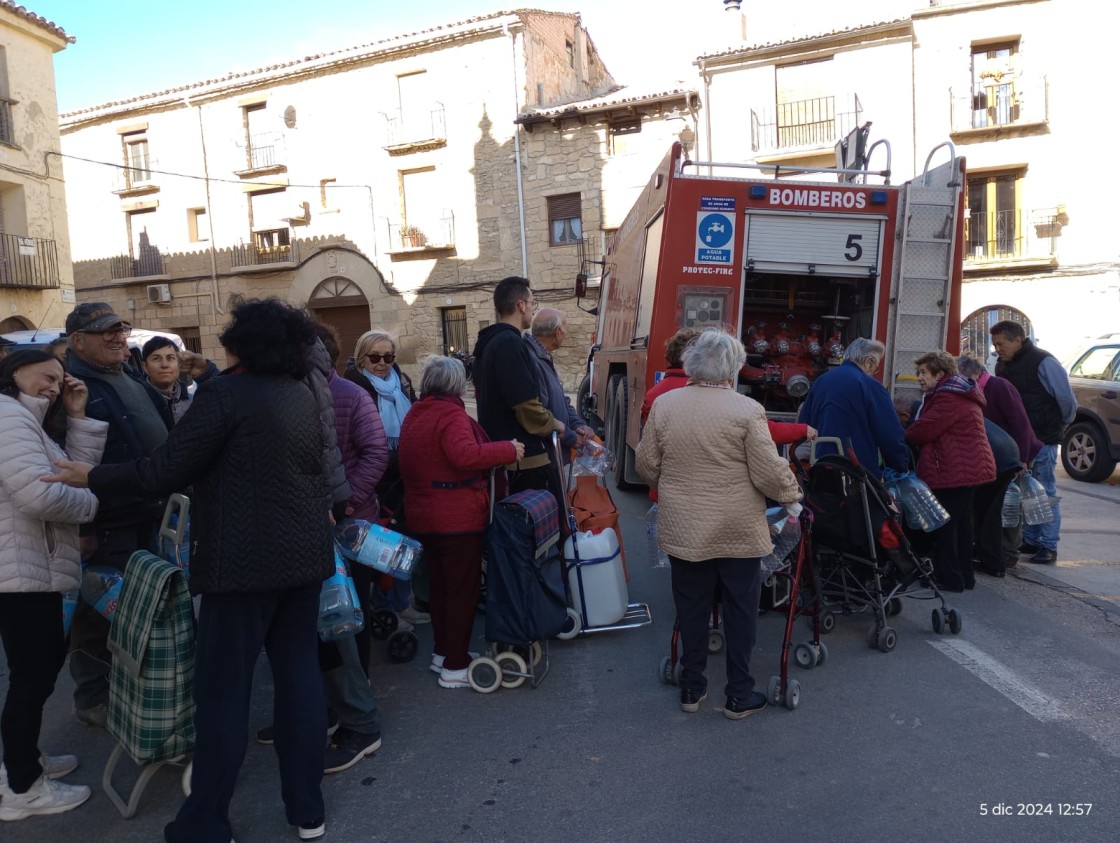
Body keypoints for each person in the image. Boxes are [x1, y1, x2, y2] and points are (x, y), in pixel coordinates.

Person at [47, 298, 335, 843]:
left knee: (223, 694)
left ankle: (205, 822)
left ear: (243, 343)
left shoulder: (228, 394)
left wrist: (92, 476)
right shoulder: (298, 391)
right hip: (302, 561)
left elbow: (164, 469)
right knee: (299, 683)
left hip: (241, 568)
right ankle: (307, 810)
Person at [636, 330, 802, 720]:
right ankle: (738, 696)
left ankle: (691, 690)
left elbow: (646, 465)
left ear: (692, 364)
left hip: (684, 527)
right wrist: (792, 497)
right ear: (734, 366)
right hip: (737, 529)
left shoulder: (666, 405)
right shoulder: (746, 409)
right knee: (741, 611)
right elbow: (768, 472)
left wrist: (672, 486)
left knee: (691, 608)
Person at [0, 350, 107, 820]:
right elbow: (39, 493)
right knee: (33, 676)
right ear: (13, 372)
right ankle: (23, 789)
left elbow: (70, 473)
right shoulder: (8, 417)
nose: (54, 384)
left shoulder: (25, 419)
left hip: (27, 567)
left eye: (59, 379)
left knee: (35, 674)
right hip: (20, 572)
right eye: (46, 375)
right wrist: (92, 508)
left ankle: (24, 763)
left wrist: (78, 416)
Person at [63, 301, 173, 728]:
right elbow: (67, 458)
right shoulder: (75, 386)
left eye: (119, 329)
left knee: (137, 608)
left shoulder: (125, 374)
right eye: (103, 331)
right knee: (97, 611)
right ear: (78, 341)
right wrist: (83, 525)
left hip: (145, 510)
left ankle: (132, 689)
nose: (115, 336)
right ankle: (93, 696)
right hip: (107, 519)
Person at [397, 356, 522, 688]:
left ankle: (442, 653)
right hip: (454, 517)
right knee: (461, 591)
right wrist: (507, 449)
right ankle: (455, 664)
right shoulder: (451, 415)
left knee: (439, 588)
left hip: (423, 516)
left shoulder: (416, 413)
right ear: (456, 384)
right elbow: (464, 455)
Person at [308, 322, 387, 773]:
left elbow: (376, 453)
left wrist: (347, 503)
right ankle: (331, 710)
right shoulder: (302, 394)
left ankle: (357, 708)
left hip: (353, 526)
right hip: (318, 524)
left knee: (352, 615)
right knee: (322, 621)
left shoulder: (353, 396)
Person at [345, 328, 424, 622]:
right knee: (379, 545)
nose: (382, 363)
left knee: (403, 541)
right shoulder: (356, 387)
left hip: (402, 476)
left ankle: (398, 602)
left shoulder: (400, 383)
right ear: (362, 358)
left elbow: (415, 413)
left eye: (388, 356)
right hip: (372, 478)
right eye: (375, 357)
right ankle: (383, 606)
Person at [905, 351, 996, 592]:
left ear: (941, 374)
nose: (919, 378)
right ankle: (964, 576)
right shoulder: (954, 393)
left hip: (958, 470)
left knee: (944, 525)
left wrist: (904, 433)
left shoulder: (948, 397)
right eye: (918, 373)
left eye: (923, 373)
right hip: (967, 469)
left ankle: (950, 578)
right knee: (962, 526)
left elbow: (922, 431)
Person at [989, 321, 1076, 564]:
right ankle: (1031, 539)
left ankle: (1048, 545)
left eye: (1001, 344)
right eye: (995, 344)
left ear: (1018, 340)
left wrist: (1060, 426)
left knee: (1043, 491)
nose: (997, 349)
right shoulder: (1002, 364)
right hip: (1020, 440)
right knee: (1027, 491)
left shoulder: (1044, 361)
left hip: (1044, 438)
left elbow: (1066, 400)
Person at [472, 277, 565, 502]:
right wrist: (555, 424)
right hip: (524, 461)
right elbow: (526, 406)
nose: (532, 310)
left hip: (507, 455)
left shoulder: (490, 343)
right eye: (532, 303)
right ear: (521, 305)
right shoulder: (509, 343)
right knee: (538, 531)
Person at [957, 353, 1043, 570]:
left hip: (1013, 455)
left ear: (976, 373)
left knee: (1009, 505)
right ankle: (992, 550)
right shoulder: (973, 391)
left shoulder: (999, 387)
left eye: (964, 377)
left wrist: (1022, 459)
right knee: (993, 506)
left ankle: (1009, 551)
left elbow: (1021, 425)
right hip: (994, 455)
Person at [797, 338, 909, 478]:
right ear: (869, 361)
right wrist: (901, 466)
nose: (874, 372)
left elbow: (805, 424)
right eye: (876, 367)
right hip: (859, 473)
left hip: (821, 468)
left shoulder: (821, 381)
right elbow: (890, 434)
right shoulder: (870, 386)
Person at [526, 308, 594, 461]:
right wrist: (571, 437)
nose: (565, 333)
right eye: (565, 328)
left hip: (552, 454)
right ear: (557, 332)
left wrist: (578, 425)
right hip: (546, 456)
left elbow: (561, 401)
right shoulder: (533, 360)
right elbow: (540, 413)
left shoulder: (542, 357)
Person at [140, 335, 218, 424]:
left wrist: (205, 371)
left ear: (179, 364)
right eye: (156, 359)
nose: (164, 365)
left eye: (170, 358)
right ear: (145, 367)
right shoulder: (137, 402)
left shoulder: (193, 403)